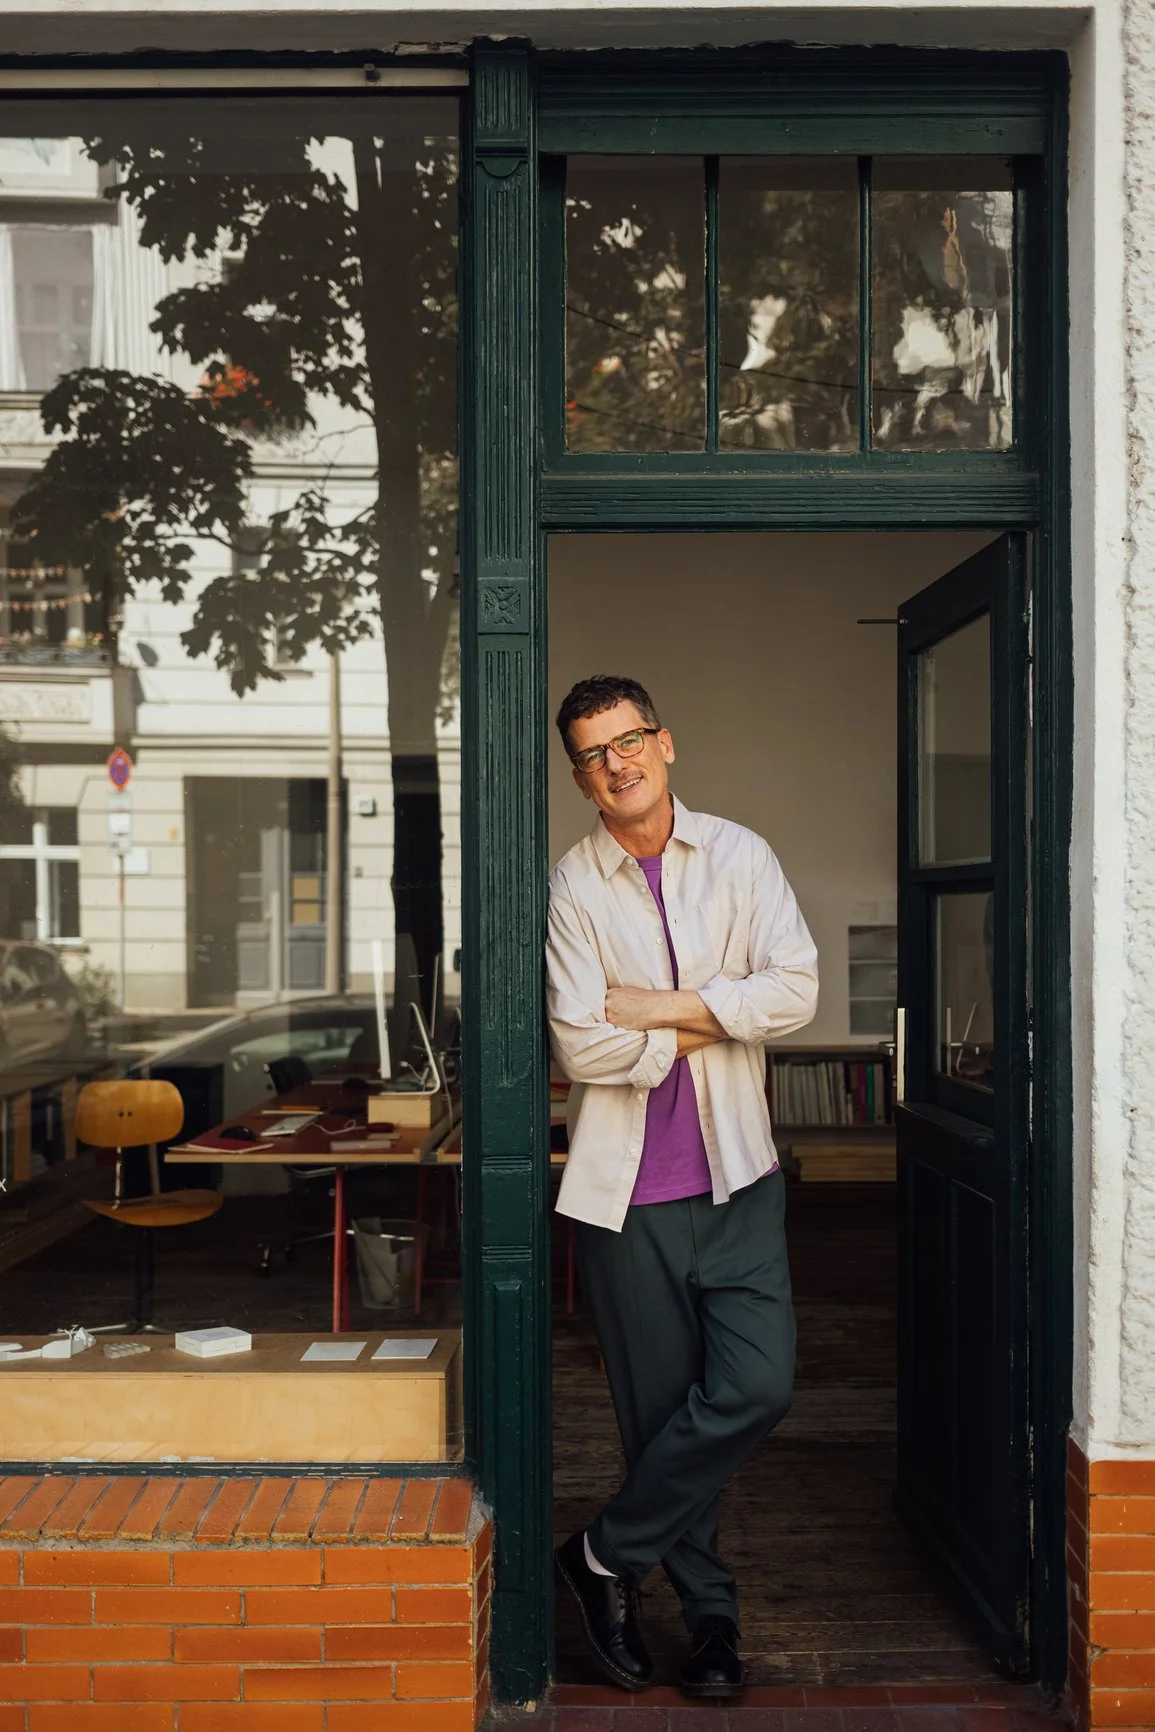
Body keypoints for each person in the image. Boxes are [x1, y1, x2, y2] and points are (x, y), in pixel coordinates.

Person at [546, 673, 819, 1699]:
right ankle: (711, 1622)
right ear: (580, 778)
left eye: (628, 742)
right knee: (660, 1420)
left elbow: (795, 990)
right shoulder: (575, 884)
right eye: (592, 754)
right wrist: (710, 1018)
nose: (615, 764)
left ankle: (599, 1556)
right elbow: (579, 1037)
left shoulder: (740, 857)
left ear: (666, 743)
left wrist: (657, 1008)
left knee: (757, 1385)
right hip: (627, 1202)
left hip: (738, 1178)